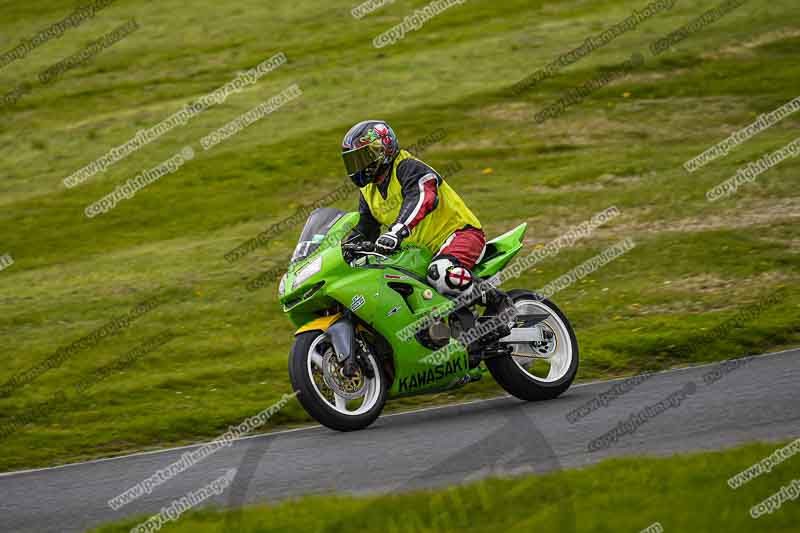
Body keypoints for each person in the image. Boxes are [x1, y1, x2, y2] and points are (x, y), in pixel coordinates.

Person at [341, 120, 513, 330]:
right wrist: (345, 249)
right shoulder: (368, 192)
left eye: (362, 158)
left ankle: (500, 302)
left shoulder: (408, 168)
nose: (357, 167)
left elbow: (422, 199)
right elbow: (365, 228)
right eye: (352, 162)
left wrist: (397, 232)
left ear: (382, 149)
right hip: (417, 253)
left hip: (460, 234)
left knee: (439, 272)